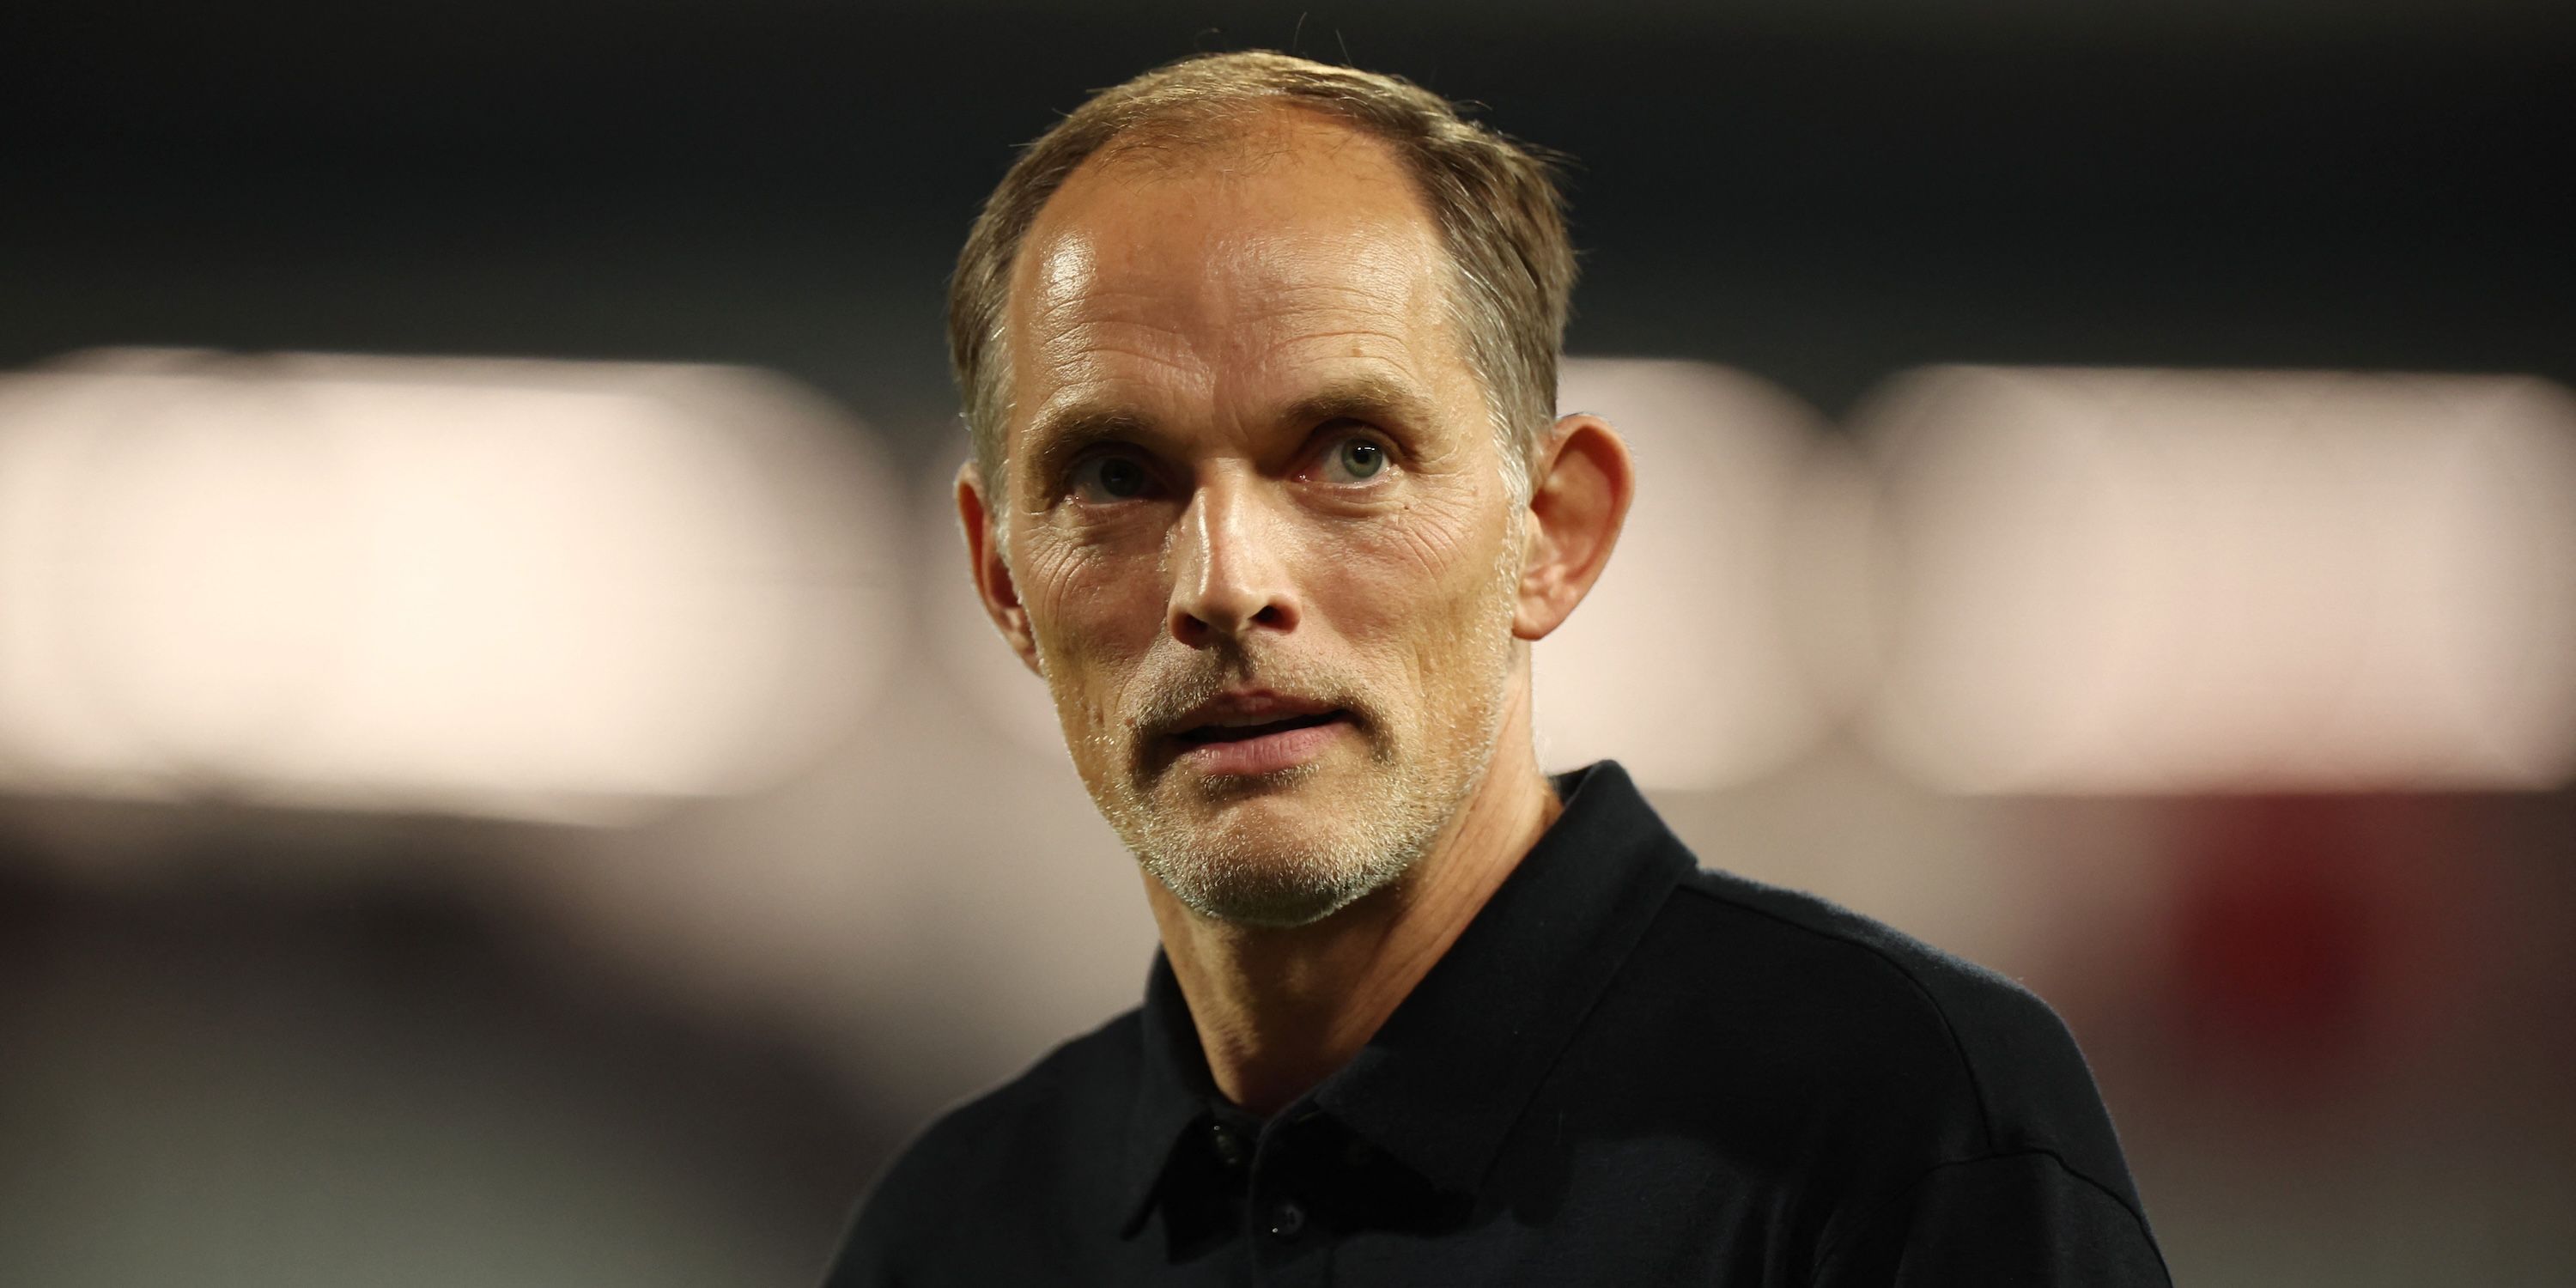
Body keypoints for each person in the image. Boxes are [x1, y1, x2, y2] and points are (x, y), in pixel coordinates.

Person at [826, 50, 2168, 1286]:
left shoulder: (1899, 1127)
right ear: (1003, 576)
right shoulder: (951, 1234)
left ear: (1553, 533)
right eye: (1117, 477)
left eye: (1351, 452)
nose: (1226, 581)